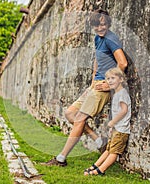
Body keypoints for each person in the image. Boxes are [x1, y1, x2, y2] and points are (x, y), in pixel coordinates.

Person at [41, 9, 128, 167]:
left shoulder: (111, 38)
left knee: (79, 119)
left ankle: (61, 158)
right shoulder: (97, 38)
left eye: (103, 24)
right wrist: (92, 82)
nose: (100, 28)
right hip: (95, 85)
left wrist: (109, 85)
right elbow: (97, 60)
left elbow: (122, 63)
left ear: (108, 23)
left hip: (103, 88)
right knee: (70, 113)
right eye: (96, 25)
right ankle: (98, 140)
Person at [84, 67, 131, 176]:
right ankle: (95, 166)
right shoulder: (116, 93)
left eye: (113, 78)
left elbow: (124, 110)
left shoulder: (123, 93)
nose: (109, 81)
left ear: (121, 79)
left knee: (114, 152)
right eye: (108, 79)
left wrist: (112, 122)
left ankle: (100, 171)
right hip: (116, 129)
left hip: (121, 129)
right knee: (108, 149)